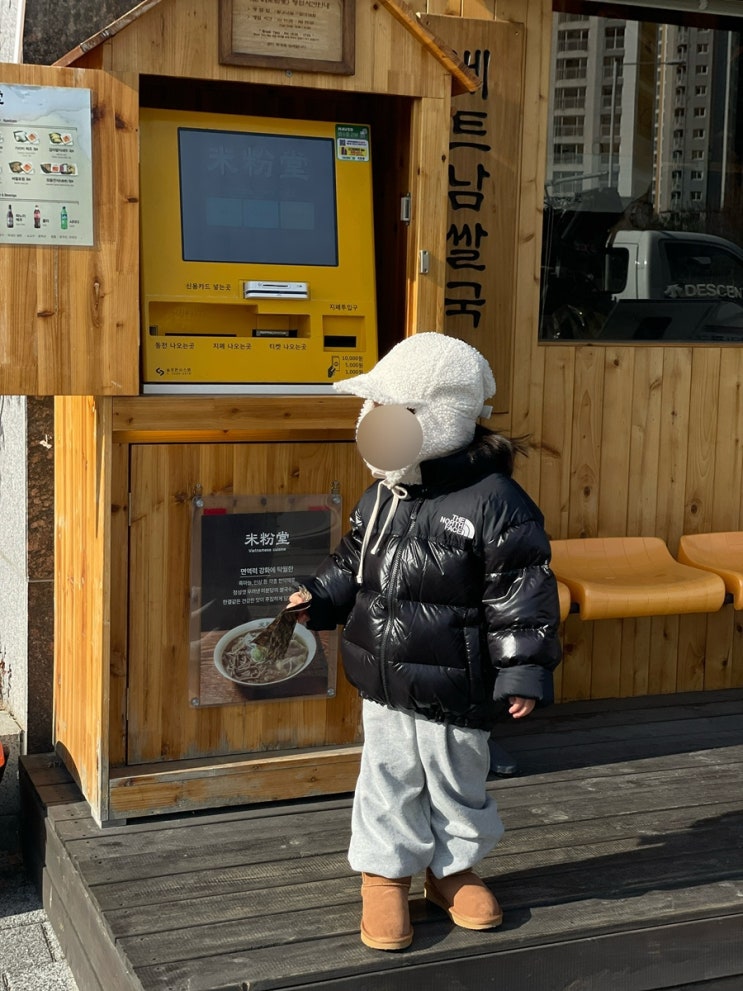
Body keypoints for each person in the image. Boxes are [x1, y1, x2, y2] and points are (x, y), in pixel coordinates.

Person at [289, 332, 561, 951]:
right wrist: (319, 597)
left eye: (397, 409)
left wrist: (523, 669)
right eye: (375, 409)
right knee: (387, 773)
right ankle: (384, 874)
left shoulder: (496, 502)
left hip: (457, 679)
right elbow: (353, 561)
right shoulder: (381, 496)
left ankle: (452, 869)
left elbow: (522, 592)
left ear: (442, 415)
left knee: (455, 774)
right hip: (383, 675)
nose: (376, 423)